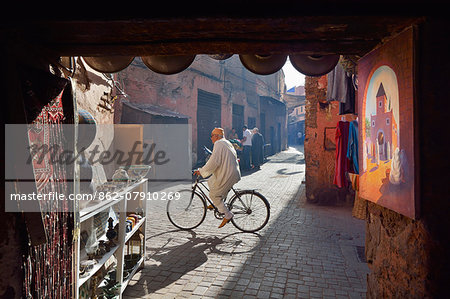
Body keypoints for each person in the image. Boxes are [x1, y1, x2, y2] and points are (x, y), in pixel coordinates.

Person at [194, 128, 241, 228]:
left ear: (216, 136)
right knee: (211, 181)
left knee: (214, 195)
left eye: (211, 136)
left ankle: (228, 215)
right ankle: (217, 204)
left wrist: (201, 171)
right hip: (232, 172)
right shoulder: (226, 142)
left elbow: (214, 161)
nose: (211, 138)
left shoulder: (218, 144)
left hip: (228, 174)